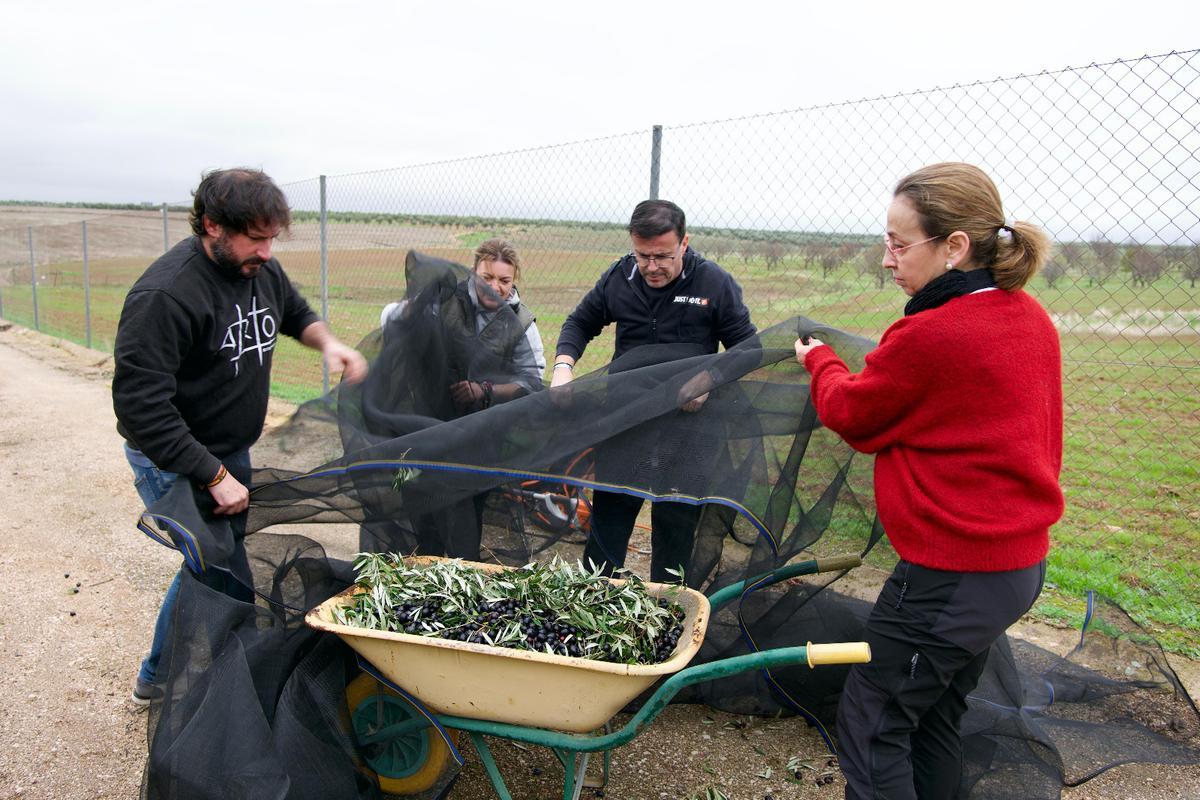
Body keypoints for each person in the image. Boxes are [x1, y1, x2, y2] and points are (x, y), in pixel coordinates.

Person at [793, 163, 1063, 800]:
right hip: (1015, 568)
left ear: (955, 247)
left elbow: (854, 415)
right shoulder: (1026, 316)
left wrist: (820, 360)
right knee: (932, 714)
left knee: (873, 719)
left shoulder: (933, 333)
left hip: (953, 574)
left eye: (898, 242)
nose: (887, 260)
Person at [112, 168, 368, 706]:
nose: (268, 252)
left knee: (221, 564)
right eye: (256, 238)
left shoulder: (259, 271)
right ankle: (163, 678)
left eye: (273, 237)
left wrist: (329, 344)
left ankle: (194, 671)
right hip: (178, 457)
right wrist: (215, 475)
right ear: (212, 226)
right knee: (212, 565)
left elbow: (294, 311)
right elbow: (142, 409)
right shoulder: (165, 296)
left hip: (230, 449)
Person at [552, 199, 756, 583]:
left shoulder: (714, 283)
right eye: (642, 255)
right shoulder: (620, 277)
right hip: (627, 420)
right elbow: (580, 322)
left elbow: (749, 349)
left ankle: (668, 611)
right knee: (609, 516)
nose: (650, 267)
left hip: (689, 431)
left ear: (684, 242)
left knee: (676, 524)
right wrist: (564, 366)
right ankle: (593, 600)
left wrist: (708, 380)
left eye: (662, 256)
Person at [371, 238, 545, 557]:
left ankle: (459, 569)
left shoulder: (522, 324)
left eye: (504, 280)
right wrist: (413, 309)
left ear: (515, 280)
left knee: (466, 514)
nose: (495, 287)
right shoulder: (447, 299)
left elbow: (532, 380)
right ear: (473, 272)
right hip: (429, 425)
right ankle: (423, 564)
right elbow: (391, 319)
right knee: (421, 503)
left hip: (481, 433)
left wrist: (485, 390)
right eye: (486, 277)